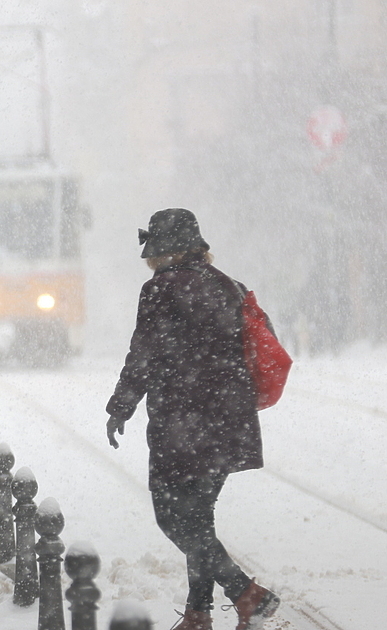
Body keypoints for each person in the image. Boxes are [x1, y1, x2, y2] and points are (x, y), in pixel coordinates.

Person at [105, 209, 280, 630]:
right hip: (228, 420)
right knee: (199, 519)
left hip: (182, 423)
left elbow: (143, 353)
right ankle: (200, 615)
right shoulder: (229, 287)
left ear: (160, 251)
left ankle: (246, 594)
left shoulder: (160, 290)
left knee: (174, 518)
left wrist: (120, 405)